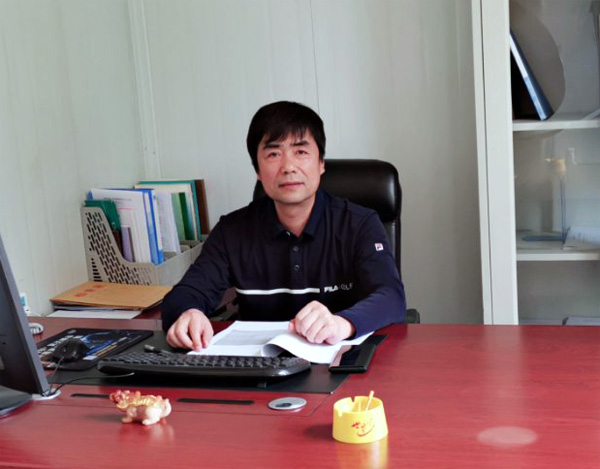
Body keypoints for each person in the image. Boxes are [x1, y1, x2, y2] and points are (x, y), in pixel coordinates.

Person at [162, 101, 406, 351]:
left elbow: (392, 297)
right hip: (258, 365)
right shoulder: (232, 231)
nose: (288, 167)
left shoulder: (359, 224)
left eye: (300, 152)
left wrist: (342, 323)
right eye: (273, 154)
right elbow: (185, 293)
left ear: (321, 163)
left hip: (341, 361)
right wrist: (188, 313)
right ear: (258, 170)